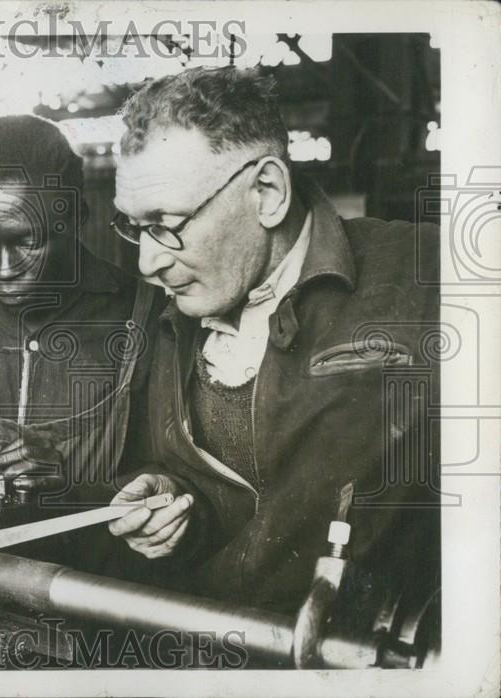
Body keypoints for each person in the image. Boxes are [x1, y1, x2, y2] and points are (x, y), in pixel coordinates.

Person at [106, 66, 440, 617]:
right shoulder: (171, 317)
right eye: (136, 227)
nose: (148, 262)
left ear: (267, 192)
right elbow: (225, 492)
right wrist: (169, 508)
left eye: (167, 223)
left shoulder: (429, 276)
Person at [0, 114, 171, 573]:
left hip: (92, 599)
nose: (3, 268)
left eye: (28, 241)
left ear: (76, 218)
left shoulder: (145, 313)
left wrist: (71, 488)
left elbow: (170, 480)